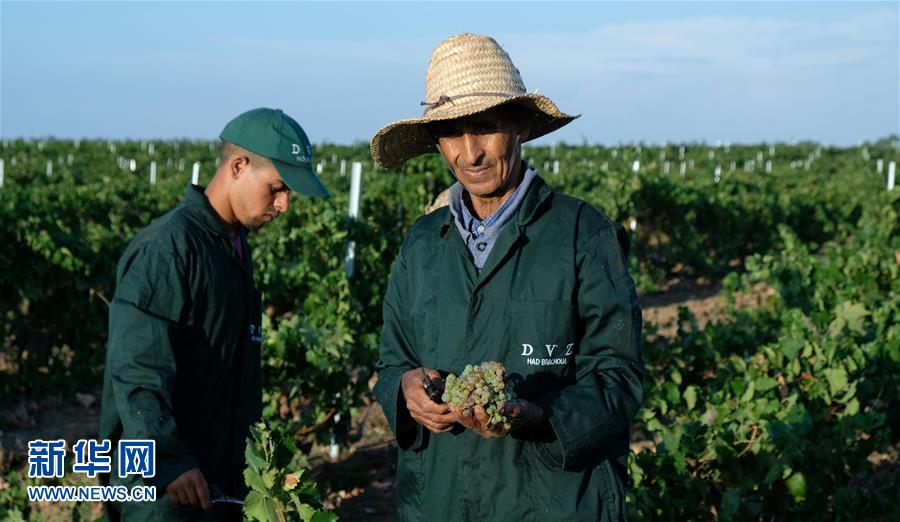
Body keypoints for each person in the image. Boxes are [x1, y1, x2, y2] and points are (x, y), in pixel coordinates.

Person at [371, 33, 643, 521]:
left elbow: (619, 377)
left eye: (486, 127)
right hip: (441, 500)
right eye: (452, 133)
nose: (469, 153)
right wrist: (405, 389)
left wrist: (540, 416)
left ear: (518, 126)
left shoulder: (583, 234)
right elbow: (392, 362)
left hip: (551, 503)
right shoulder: (422, 243)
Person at [99, 108, 330, 521]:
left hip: (211, 480)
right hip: (163, 490)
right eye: (277, 188)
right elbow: (137, 372)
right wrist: (171, 461)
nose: (284, 205)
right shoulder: (168, 251)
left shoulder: (232, 248)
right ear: (238, 166)